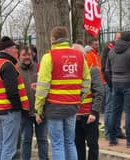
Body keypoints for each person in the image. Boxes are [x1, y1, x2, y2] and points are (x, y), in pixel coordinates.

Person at [35, 26, 91, 160]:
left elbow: (43, 87)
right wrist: (79, 97)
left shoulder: (49, 57)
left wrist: (38, 108)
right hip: (72, 105)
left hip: (54, 106)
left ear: (53, 39)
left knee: (57, 143)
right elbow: (87, 81)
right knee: (70, 141)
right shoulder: (79, 56)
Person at [0, 36, 29, 160]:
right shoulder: (7, 66)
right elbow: (12, 91)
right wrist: (19, 108)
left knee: (2, 144)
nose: (16, 51)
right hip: (9, 110)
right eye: (14, 48)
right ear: (8, 49)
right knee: (9, 147)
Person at [106, 32, 130, 147]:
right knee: (129, 112)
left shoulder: (111, 51)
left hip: (116, 83)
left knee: (114, 111)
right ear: (129, 40)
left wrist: (111, 83)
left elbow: (107, 70)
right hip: (129, 84)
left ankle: (112, 138)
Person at [72, 43, 104, 160]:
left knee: (92, 144)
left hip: (89, 114)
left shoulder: (92, 70)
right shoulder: (71, 70)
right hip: (75, 115)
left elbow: (99, 92)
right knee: (77, 144)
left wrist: (94, 112)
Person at [18, 46, 48, 160]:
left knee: (43, 139)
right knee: (26, 140)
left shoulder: (40, 68)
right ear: (19, 56)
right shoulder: (16, 71)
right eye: (24, 55)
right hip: (24, 112)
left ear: (33, 55)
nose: (27, 57)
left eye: (29, 55)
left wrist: (42, 109)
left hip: (41, 111)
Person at [101, 32, 126, 139]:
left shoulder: (123, 49)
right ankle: (108, 132)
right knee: (110, 108)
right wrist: (110, 82)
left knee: (118, 108)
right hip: (111, 82)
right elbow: (104, 68)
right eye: (119, 39)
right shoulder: (109, 49)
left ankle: (116, 130)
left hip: (121, 82)